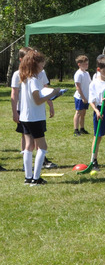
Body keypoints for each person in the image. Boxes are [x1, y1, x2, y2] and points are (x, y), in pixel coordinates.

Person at [17, 50, 56, 184]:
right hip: (35, 118)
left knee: (28, 146)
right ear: (35, 64)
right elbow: (38, 100)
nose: (43, 65)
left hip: (25, 117)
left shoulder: (25, 78)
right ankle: (36, 178)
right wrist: (54, 93)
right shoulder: (33, 80)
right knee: (42, 147)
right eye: (42, 63)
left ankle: (28, 177)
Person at [73, 55, 91, 136]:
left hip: (86, 96)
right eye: (85, 64)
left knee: (83, 113)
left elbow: (90, 84)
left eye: (87, 64)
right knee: (78, 112)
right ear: (79, 64)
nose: (87, 65)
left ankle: (82, 128)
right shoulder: (78, 74)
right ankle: (76, 130)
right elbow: (78, 87)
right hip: (80, 97)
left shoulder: (87, 73)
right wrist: (83, 97)